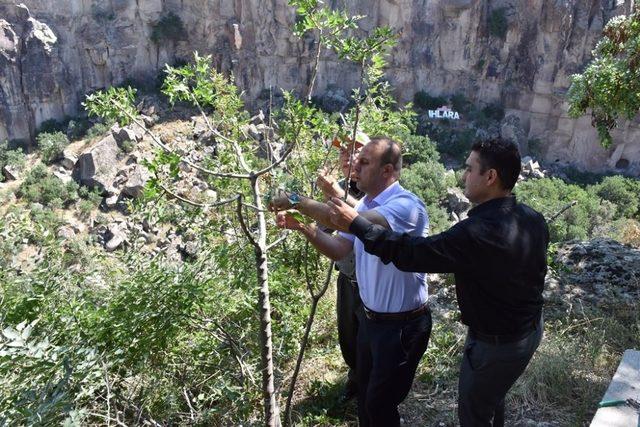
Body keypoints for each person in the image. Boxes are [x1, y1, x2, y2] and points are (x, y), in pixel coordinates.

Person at [327, 138, 549, 427]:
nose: (463, 176)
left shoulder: (476, 233)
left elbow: (411, 253)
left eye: (469, 169)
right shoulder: (532, 218)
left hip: (495, 344)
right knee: (492, 398)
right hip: (527, 330)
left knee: (474, 412)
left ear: (490, 176)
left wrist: (355, 223)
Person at [272, 136, 432, 427]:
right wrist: (303, 227)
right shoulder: (366, 203)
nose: (355, 167)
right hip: (372, 322)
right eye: (357, 161)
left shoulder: (404, 206)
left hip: (401, 326)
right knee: (366, 400)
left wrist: (297, 200)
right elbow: (339, 248)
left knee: (380, 405)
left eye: (365, 162)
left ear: (388, 171)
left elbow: (346, 221)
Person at [277, 135, 366, 402]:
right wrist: (299, 218)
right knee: (348, 336)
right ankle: (355, 380)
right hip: (347, 276)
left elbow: (361, 218)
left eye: (354, 151)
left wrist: (298, 201)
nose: (345, 157)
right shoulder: (337, 187)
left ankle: (369, 391)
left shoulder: (376, 191)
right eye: (342, 152)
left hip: (371, 282)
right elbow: (328, 226)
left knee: (369, 340)